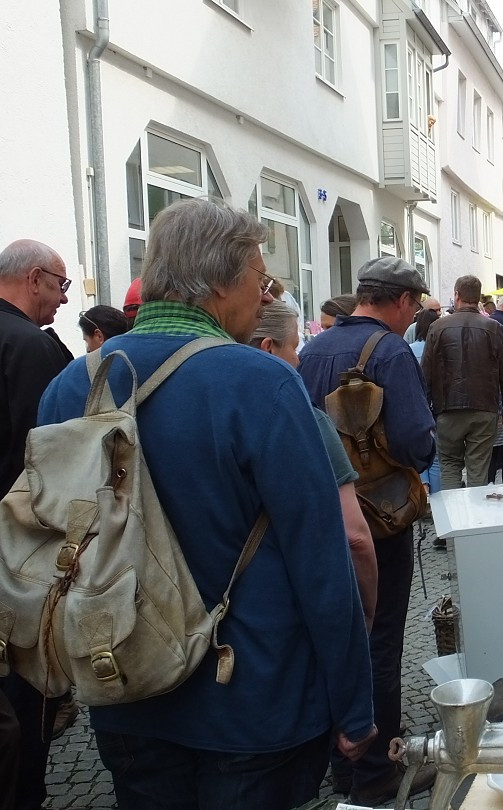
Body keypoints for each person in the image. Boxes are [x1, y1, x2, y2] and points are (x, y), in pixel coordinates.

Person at [38, 199, 376, 808]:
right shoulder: (260, 382)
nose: (262, 294)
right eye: (261, 278)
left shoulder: (72, 384)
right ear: (223, 282)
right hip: (249, 692)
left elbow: (58, 539)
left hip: (128, 682)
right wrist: (354, 703)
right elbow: (322, 561)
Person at [298, 256, 437, 806]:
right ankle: (379, 769)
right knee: (381, 642)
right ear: (401, 301)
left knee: (335, 638)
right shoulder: (390, 350)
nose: (413, 315)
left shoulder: (312, 349)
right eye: (415, 305)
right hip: (379, 521)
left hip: (319, 514)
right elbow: (413, 440)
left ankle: (342, 765)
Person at [249, 300, 378, 627]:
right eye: (293, 346)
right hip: (298, 604)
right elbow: (355, 537)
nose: (299, 356)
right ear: (269, 348)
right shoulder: (306, 420)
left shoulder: (209, 412)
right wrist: (366, 613)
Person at [0, 238, 72, 810]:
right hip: (19, 549)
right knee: (24, 689)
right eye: (60, 286)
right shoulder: (31, 348)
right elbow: (51, 462)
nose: (63, 299)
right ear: (33, 279)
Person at [423, 275, 503, 490]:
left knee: (449, 464)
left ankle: (453, 519)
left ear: (457, 295)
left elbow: (426, 373)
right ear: (478, 297)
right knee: (478, 468)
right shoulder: (494, 328)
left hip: (446, 408)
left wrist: (426, 411)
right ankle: (476, 518)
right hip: (484, 406)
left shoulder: (437, 328)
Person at [409, 308, 444, 496]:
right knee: (436, 457)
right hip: (437, 404)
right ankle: (437, 499)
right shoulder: (441, 349)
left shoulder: (409, 349)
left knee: (421, 452)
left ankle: (423, 488)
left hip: (416, 404)